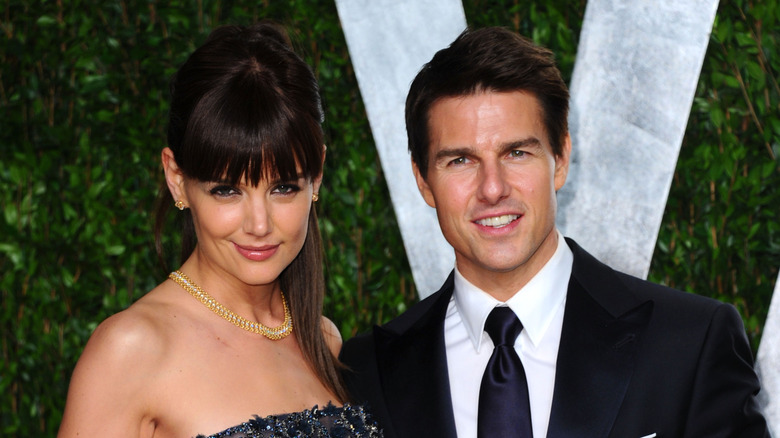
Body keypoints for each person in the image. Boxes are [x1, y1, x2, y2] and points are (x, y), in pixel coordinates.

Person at [339, 26, 769, 438]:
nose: (493, 189)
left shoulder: (690, 344)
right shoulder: (366, 372)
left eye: (517, 152)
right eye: (460, 161)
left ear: (560, 158)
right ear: (422, 180)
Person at [58, 23, 382, 438]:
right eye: (226, 191)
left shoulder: (324, 340)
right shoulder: (131, 350)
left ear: (316, 177)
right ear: (177, 179)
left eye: (283, 188)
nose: (259, 225)